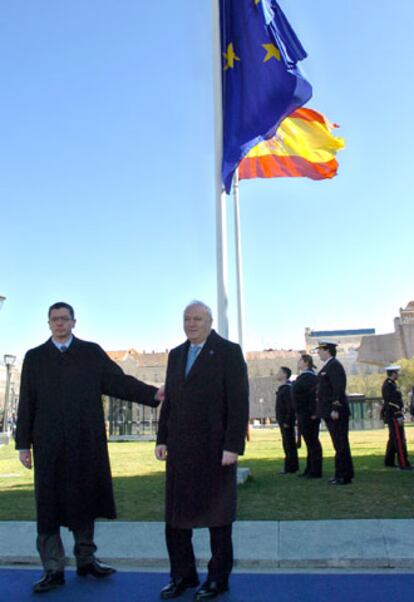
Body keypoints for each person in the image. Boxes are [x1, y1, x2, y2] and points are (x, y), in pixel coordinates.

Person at [15, 302, 164, 594]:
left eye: (64, 319)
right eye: (54, 319)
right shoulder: (35, 358)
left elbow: (118, 382)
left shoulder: (91, 353)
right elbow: (26, 403)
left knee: (83, 500)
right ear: (48, 323)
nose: (59, 323)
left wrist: (153, 394)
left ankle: (86, 559)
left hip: (85, 441)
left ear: (74, 322)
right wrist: (23, 444)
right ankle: (53, 569)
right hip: (49, 445)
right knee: (48, 506)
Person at [155, 301, 249, 600]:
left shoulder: (229, 352)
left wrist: (233, 446)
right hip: (180, 451)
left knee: (217, 519)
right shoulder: (176, 354)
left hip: (216, 450)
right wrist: (161, 438)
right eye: (187, 318)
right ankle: (182, 575)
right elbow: (169, 401)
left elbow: (239, 403)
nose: (191, 323)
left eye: (197, 318)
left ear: (210, 321)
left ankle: (218, 579)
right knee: (175, 520)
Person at [315, 341, 354, 485]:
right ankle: (341, 473)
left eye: (320, 350)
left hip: (336, 412)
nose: (318, 353)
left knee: (341, 443)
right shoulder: (328, 366)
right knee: (338, 444)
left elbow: (338, 389)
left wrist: (335, 408)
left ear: (327, 351)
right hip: (329, 411)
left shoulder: (334, 366)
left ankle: (344, 475)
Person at [292, 354, 322, 478]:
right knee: (309, 442)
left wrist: (315, 412)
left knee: (312, 442)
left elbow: (314, 396)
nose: (298, 363)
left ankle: (315, 470)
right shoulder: (303, 377)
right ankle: (309, 469)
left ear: (305, 362)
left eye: (300, 361)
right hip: (303, 413)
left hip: (309, 414)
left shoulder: (309, 377)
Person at [382, 365, 411, 469]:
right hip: (394, 415)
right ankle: (403, 463)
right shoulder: (389, 385)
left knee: (393, 438)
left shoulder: (391, 384)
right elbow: (392, 402)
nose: (398, 374)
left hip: (392, 414)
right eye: (397, 373)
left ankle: (389, 460)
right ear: (393, 373)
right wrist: (398, 415)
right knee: (399, 439)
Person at [275, 367, 298, 475]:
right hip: (283, 420)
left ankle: (291, 467)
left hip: (286, 421)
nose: (277, 374)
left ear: (284, 374)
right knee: (287, 443)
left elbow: (290, 407)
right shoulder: (283, 388)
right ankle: (290, 466)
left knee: (289, 443)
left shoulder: (287, 388)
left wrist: (288, 420)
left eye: (279, 372)